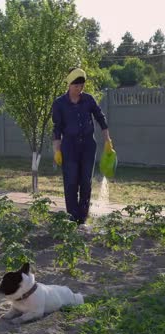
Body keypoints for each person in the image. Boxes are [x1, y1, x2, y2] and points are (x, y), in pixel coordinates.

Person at [52, 68, 114, 226]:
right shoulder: (60, 103)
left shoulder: (88, 100)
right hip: (69, 147)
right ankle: (72, 217)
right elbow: (57, 128)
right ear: (69, 84)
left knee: (86, 182)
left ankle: (82, 218)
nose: (79, 89)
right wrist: (57, 150)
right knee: (71, 181)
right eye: (76, 86)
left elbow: (101, 118)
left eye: (81, 86)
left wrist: (107, 140)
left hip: (87, 145)